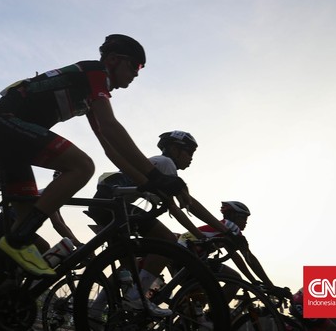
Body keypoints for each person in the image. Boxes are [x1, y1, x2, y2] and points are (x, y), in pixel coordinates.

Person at [0, 34, 190, 278]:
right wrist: (155, 175)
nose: (137, 74)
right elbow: (110, 125)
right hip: (4, 125)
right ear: (112, 59)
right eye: (135, 66)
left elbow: (111, 149)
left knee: (23, 224)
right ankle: (16, 243)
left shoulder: (90, 94)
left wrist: (150, 184)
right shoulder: (95, 72)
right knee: (82, 166)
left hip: (11, 138)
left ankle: (3, 292)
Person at [88, 131, 233, 315]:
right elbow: (181, 206)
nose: (191, 158)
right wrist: (208, 234)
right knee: (166, 240)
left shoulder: (159, 163)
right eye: (189, 152)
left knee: (128, 266)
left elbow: (180, 205)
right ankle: (135, 299)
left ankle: (93, 313)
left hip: (105, 203)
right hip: (113, 204)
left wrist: (201, 234)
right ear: (174, 149)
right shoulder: (166, 163)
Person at [177, 201, 279, 302]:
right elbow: (249, 258)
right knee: (235, 279)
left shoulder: (222, 229)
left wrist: (254, 282)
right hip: (190, 256)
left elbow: (236, 258)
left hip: (182, 254)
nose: (246, 222)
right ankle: (217, 315)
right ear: (234, 216)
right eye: (244, 218)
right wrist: (271, 287)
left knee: (199, 301)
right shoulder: (231, 227)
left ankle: (189, 314)